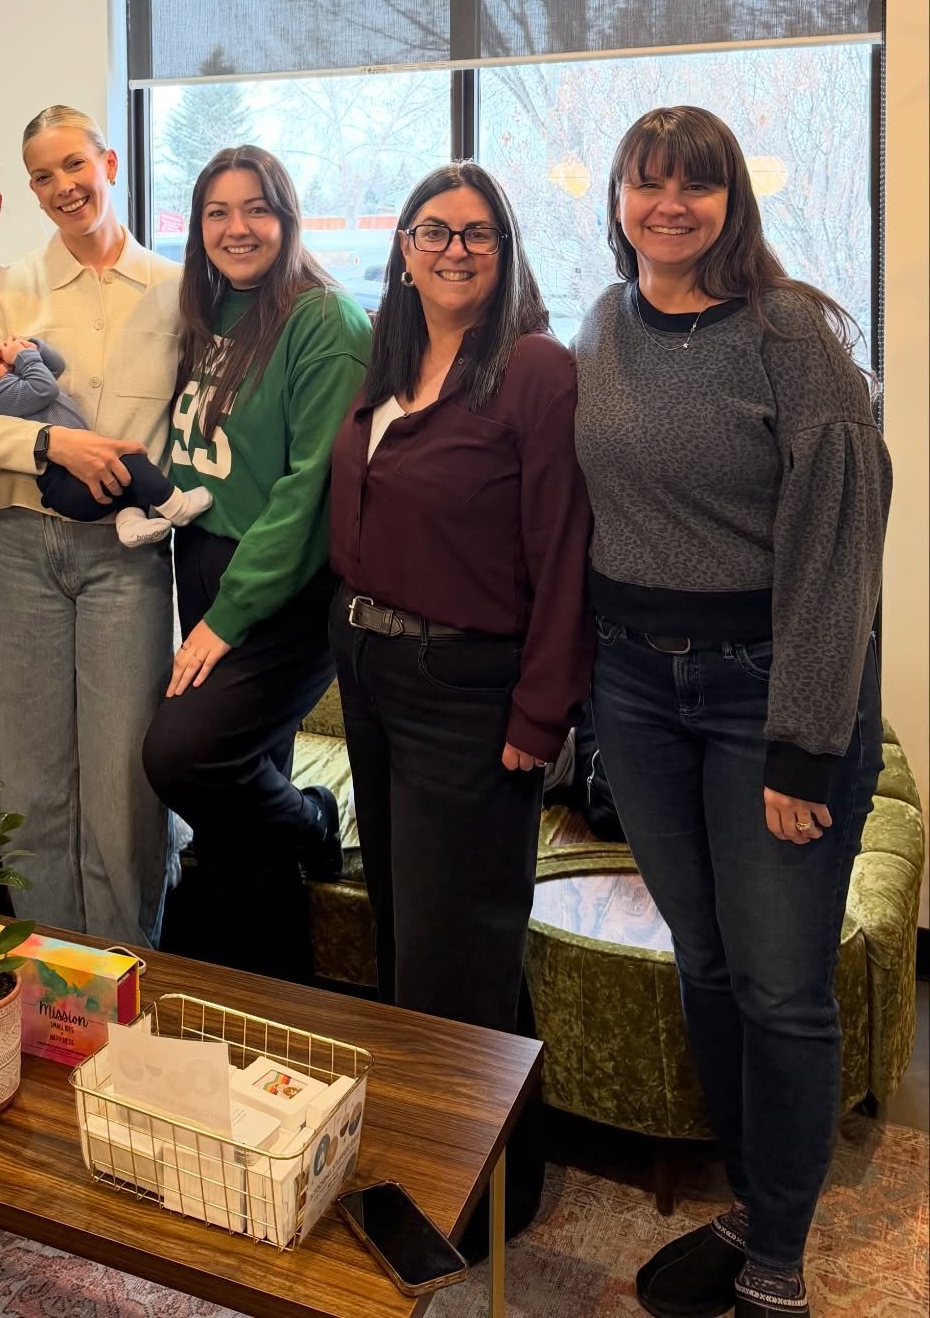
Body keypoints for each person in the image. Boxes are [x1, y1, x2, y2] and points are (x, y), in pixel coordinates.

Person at [574, 108, 891, 1318]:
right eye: (647, 185)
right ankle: (753, 1201)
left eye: (695, 188)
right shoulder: (604, 327)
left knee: (780, 985)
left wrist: (807, 746)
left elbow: (839, 551)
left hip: (768, 691)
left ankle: (776, 1266)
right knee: (703, 964)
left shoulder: (793, 334)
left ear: (731, 201)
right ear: (617, 200)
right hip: (638, 693)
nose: (669, 206)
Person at [327, 161, 592, 1257]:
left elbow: (564, 552)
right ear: (402, 247)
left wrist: (541, 717)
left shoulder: (534, 371)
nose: (453, 249)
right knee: (409, 939)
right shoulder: (387, 362)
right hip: (375, 676)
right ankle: (449, 1157)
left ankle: (482, 1196)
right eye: (433, 231)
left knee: (460, 954)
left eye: (477, 233)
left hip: (471, 693)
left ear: (505, 249)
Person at [0, 106, 180, 947]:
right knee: (30, 786)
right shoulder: (9, 290)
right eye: (41, 176)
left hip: (127, 560)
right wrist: (49, 441)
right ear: (27, 192)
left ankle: (126, 980)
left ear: (108, 161)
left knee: (121, 787)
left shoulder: (178, 293)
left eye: (74, 165)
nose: (63, 186)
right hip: (23, 551)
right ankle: (47, 988)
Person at [141, 146, 371, 980]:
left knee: (182, 756)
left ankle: (315, 823)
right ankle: (260, 1008)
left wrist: (227, 617)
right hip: (200, 556)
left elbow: (309, 494)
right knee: (236, 834)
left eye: (256, 209)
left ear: (287, 215)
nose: (236, 229)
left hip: (282, 586)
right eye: (216, 213)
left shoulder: (325, 322)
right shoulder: (209, 313)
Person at [0, 333, 211, 545]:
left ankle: (130, 523)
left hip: (76, 483)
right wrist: (25, 357)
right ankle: (175, 506)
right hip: (66, 485)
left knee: (123, 483)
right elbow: (45, 389)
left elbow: (55, 367)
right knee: (129, 460)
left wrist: (35, 348)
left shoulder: (8, 383)